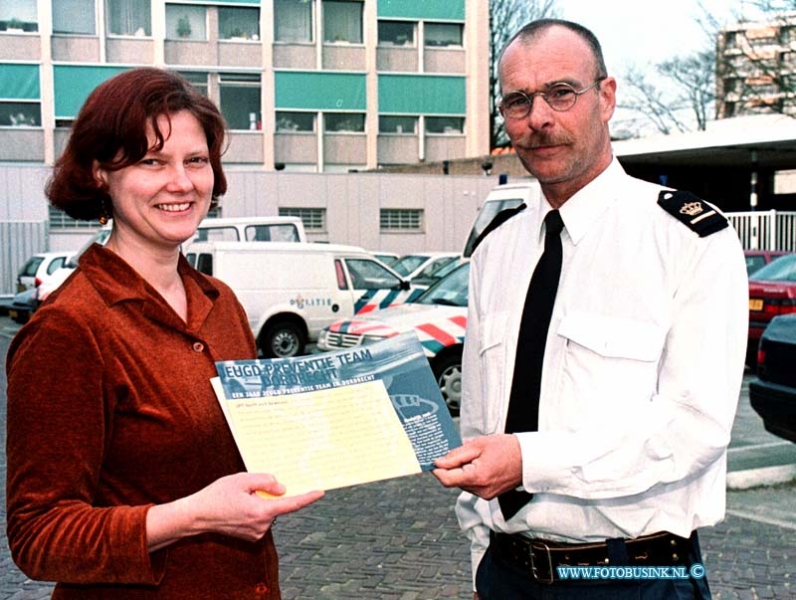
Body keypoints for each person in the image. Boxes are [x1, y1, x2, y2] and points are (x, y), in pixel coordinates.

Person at [432, 19, 748, 600]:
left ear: (606, 97)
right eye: (519, 101)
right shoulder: (495, 250)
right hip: (509, 574)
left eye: (561, 92)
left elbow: (693, 426)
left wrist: (529, 460)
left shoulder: (687, 237)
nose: (539, 119)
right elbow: (482, 425)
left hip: (634, 575)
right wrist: (482, 559)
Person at [5, 68, 324, 599]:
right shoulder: (70, 327)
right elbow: (38, 536)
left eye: (195, 161)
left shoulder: (220, 303)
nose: (182, 182)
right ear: (99, 174)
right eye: (152, 161)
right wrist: (191, 517)